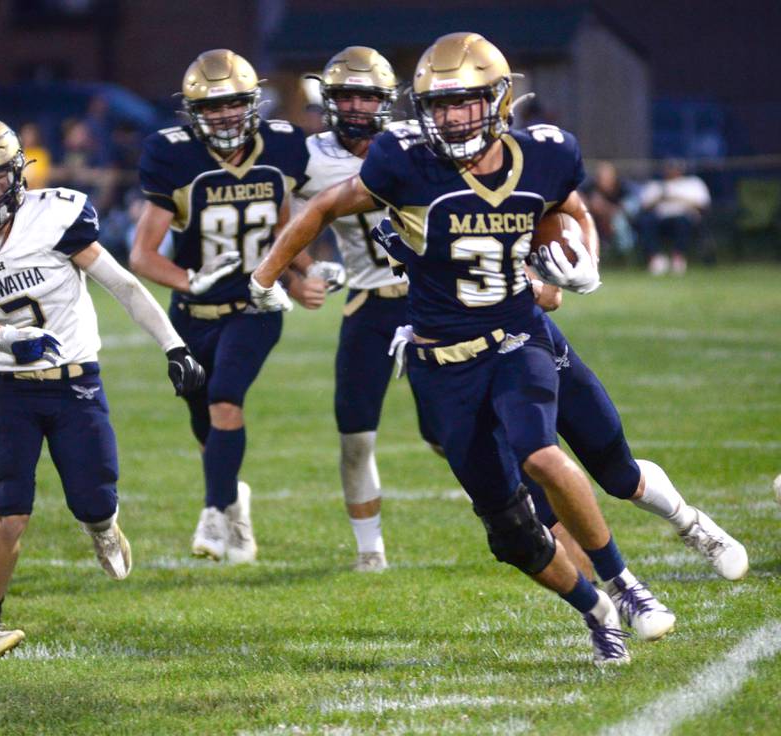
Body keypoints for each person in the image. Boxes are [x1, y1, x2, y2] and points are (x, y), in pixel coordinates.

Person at [250, 33, 678, 664]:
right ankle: (597, 611)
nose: (453, 118)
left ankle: (626, 583)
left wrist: (584, 260)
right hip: (439, 362)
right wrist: (267, 276)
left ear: (498, 101)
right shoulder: (404, 160)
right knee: (511, 534)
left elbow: (569, 209)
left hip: (514, 338)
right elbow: (321, 208)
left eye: (466, 103)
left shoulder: (544, 154)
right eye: (441, 106)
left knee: (542, 454)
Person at [376, 217, 749, 582]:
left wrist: (572, 262)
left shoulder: (480, 195)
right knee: (548, 505)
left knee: (620, 475)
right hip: (469, 374)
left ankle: (689, 523)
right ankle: (619, 598)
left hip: (528, 347)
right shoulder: (396, 216)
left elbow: (554, 271)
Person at [0, 115, 205, 661]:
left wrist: (174, 346)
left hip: (75, 383)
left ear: (16, 174)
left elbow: (124, 285)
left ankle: (103, 527)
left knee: (94, 500)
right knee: (10, 507)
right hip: (10, 389)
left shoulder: (54, 217)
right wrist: (8, 338)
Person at [130, 49, 343, 564]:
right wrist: (190, 280)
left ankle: (212, 511)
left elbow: (283, 230)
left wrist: (300, 277)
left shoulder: (284, 146)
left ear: (253, 102)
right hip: (193, 314)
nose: (224, 115)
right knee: (206, 425)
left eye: (233, 103)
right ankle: (235, 506)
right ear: (192, 113)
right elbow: (141, 255)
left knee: (226, 397)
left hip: (255, 306)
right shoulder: (173, 155)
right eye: (212, 106)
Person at [292, 46, 424, 572]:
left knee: (449, 433)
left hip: (432, 304)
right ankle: (370, 551)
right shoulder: (311, 156)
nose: (356, 106)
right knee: (355, 436)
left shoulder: (418, 145)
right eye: (345, 95)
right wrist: (301, 270)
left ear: (386, 101)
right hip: (369, 306)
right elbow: (279, 214)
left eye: (367, 96)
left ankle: (508, 510)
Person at [636, 159, 711, 275]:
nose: (672, 171)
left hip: (684, 218)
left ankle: (678, 257)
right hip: (661, 219)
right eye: (669, 168)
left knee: (683, 221)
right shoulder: (656, 185)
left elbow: (703, 204)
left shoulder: (693, 183)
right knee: (646, 221)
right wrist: (660, 198)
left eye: (675, 168)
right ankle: (656, 258)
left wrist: (677, 198)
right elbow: (644, 206)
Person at [580, 161, 638, 257]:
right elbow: (579, 197)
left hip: (623, 221)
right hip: (595, 219)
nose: (602, 180)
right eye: (600, 177)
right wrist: (589, 204)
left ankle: (626, 254)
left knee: (619, 220)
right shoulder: (591, 187)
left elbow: (624, 209)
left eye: (606, 177)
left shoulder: (622, 187)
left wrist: (604, 207)